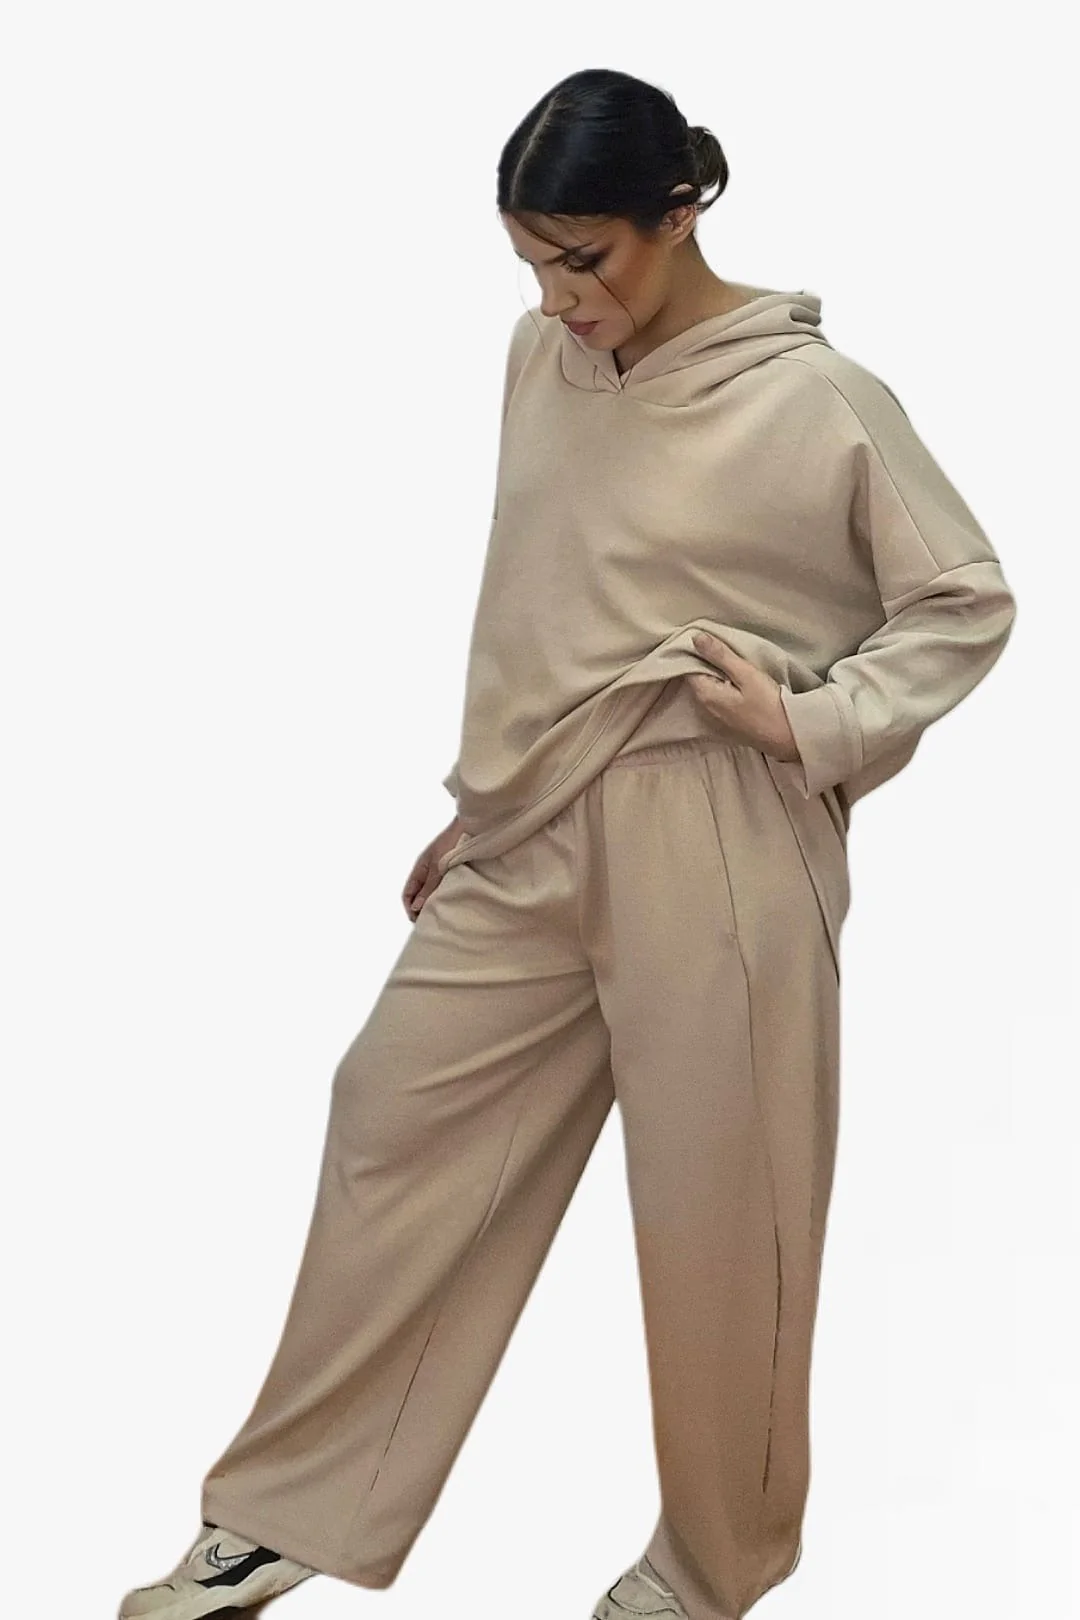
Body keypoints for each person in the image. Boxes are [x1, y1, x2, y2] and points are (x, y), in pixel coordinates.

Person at [118, 66, 1016, 1620]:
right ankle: (288, 1509)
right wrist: (488, 800)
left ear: (681, 210)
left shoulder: (820, 400)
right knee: (392, 1111)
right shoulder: (542, 360)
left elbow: (965, 602)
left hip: (721, 823)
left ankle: (711, 1568)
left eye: (584, 258)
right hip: (538, 824)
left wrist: (818, 721)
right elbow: (540, 590)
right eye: (532, 259)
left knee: (723, 1207)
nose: (557, 295)